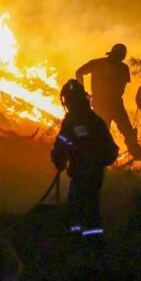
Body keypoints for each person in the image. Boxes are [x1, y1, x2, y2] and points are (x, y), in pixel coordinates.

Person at [51, 79, 119, 236]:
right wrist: (61, 155)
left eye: (68, 100)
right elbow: (67, 141)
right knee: (87, 209)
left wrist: (59, 156)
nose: (66, 104)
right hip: (93, 173)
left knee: (79, 209)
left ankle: (84, 244)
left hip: (85, 173)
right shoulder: (93, 119)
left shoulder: (76, 120)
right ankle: (88, 241)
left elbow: (65, 141)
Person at [75, 43, 141, 162]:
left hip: (112, 103)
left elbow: (79, 72)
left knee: (125, 131)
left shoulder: (115, 66)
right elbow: (79, 72)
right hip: (106, 103)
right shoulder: (105, 64)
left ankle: (137, 154)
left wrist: (84, 92)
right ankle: (95, 160)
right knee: (103, 133)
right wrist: (83, 91)